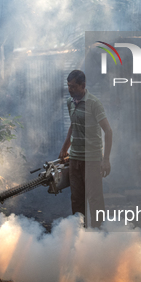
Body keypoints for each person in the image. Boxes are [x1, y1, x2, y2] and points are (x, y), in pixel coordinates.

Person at [59, 70, 112, 228]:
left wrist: (106, 160)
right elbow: (73, 126)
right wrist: (64, 148)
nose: (70, 89)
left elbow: (108, 131)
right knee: (76, 198)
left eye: (73, 86)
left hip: (92, 160)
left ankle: (97, 236)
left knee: (94, 199)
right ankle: (80, 234)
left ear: (83, 86)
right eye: (68, 86)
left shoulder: (94, 103)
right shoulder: (70, 102)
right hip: (75, 159)